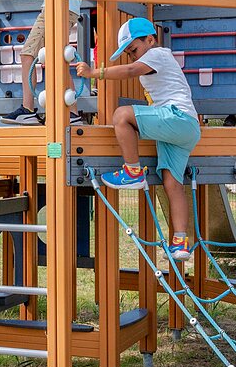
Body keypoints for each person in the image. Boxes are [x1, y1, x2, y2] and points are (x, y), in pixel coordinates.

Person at [76, 16, 201, 262]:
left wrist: (95, 72)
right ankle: (180, 241)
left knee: (121, 115)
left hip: (177, 117)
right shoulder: (154, 60)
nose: (133, 56)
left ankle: (132, 171)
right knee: (172, 184)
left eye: (133, 49)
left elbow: (131, 70)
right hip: (185, 128)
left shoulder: (158, 53)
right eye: (129, 53)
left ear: (150, 40)